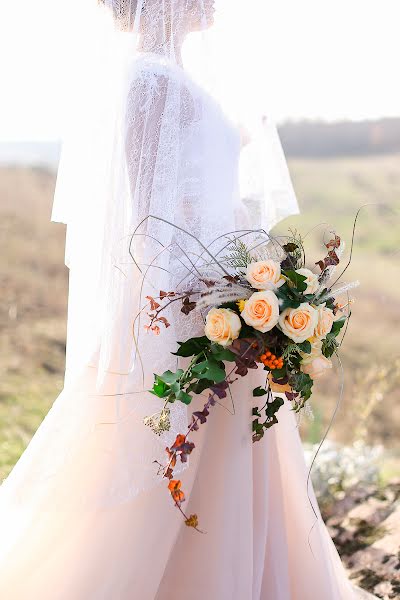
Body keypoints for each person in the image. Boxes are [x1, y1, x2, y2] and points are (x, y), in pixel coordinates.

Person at [0, 0, 376, 598]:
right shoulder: (147, 77)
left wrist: (260, 279)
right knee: (162, 453)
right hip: (187, 306)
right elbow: (152, 215)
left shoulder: (178, 75)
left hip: (223, 292)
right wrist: (213, 298)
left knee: (235, 454)